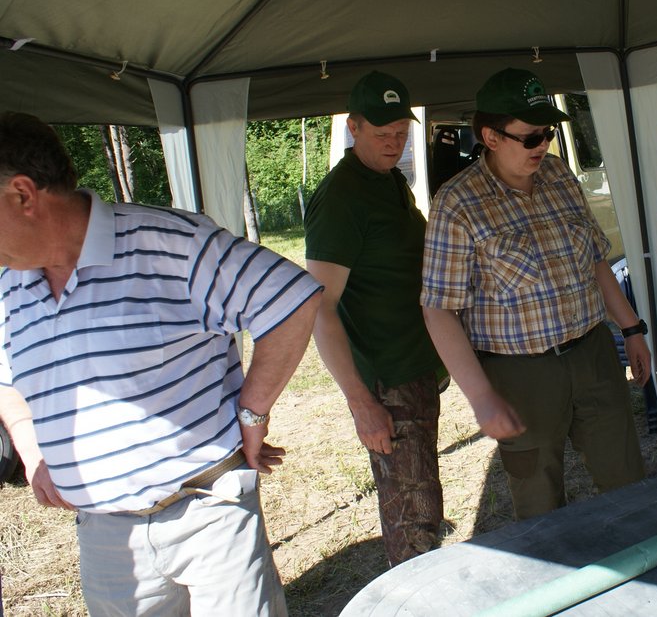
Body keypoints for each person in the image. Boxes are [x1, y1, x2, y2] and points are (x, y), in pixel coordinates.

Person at [0, 111, 323, 615]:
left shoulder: (169, 242)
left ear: (23, 195)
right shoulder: (8, 282)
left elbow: (290, 298)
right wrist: (33, 449)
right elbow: (7, 377)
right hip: (105, 535)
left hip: (206, 512)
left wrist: (253, 411)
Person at [421, 67, 649, 521]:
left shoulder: (559, 175)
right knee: (539, 505)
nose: (542, 145)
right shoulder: (458, 203)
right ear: (490, 136)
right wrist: (481, 397)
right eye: (530, 137)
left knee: (628, 481)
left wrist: (632, 329)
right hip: (519, 375)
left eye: (547, 133)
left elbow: (596, 260)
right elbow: (439, 310)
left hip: (593, 355)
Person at [304, 71, 447, 566]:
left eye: (401, 132)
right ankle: (415, 596)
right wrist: (361, 401)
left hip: (413, 365)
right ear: (354, 127)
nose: (394, 142)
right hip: (387, 382)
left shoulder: (389, 180)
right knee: (413, 520)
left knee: (424, 499)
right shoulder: (341, 197)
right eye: (382, 133)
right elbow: (320, 309)